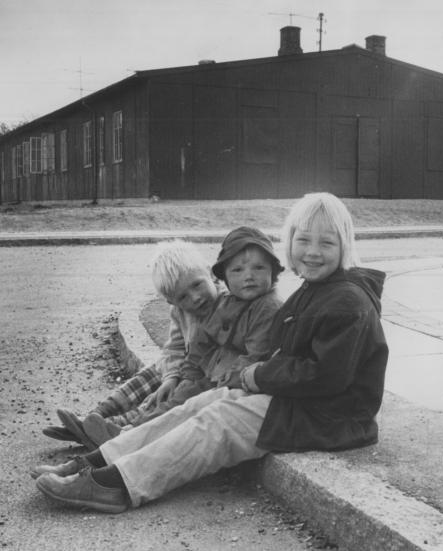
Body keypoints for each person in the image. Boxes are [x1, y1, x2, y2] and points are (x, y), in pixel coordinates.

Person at [32, 192, 388, 514]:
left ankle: (119, 484)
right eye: (303, 239)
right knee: (202, 402)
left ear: (346, 245)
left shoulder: (347, 302)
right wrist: (253, 378)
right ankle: (100, 460)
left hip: (332, 416)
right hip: (305, 403)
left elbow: (326, 376)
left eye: (327, 242)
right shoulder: (317, 289)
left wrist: (258, 375)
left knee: (218, 423)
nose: (312, 251)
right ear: (289, 241)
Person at [83, 226, 284, 441]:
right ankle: (106, 419)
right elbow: (189, 347)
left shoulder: (259, 306)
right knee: (163, 382)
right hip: (202, 371)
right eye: (238, 271)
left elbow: (253, 355)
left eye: (198, 285)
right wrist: (182, 377)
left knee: (178, 404)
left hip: (226, 380)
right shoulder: (218, 304)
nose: (196, 298)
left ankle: (128, 429)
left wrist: (203, 381)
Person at [42, 239, 222, 450]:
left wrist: (178, 378)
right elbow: (174, 349)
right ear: (172, 302)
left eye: (197, 284)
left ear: (210, 273)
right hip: (186, 368)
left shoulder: (226, 306)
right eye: (183, 296)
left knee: (165, 397)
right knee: (155, 372)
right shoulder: (180, 312)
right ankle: (97, 416)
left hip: (204, 378)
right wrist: (171, 376)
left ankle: (121, 428)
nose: (195, 298)